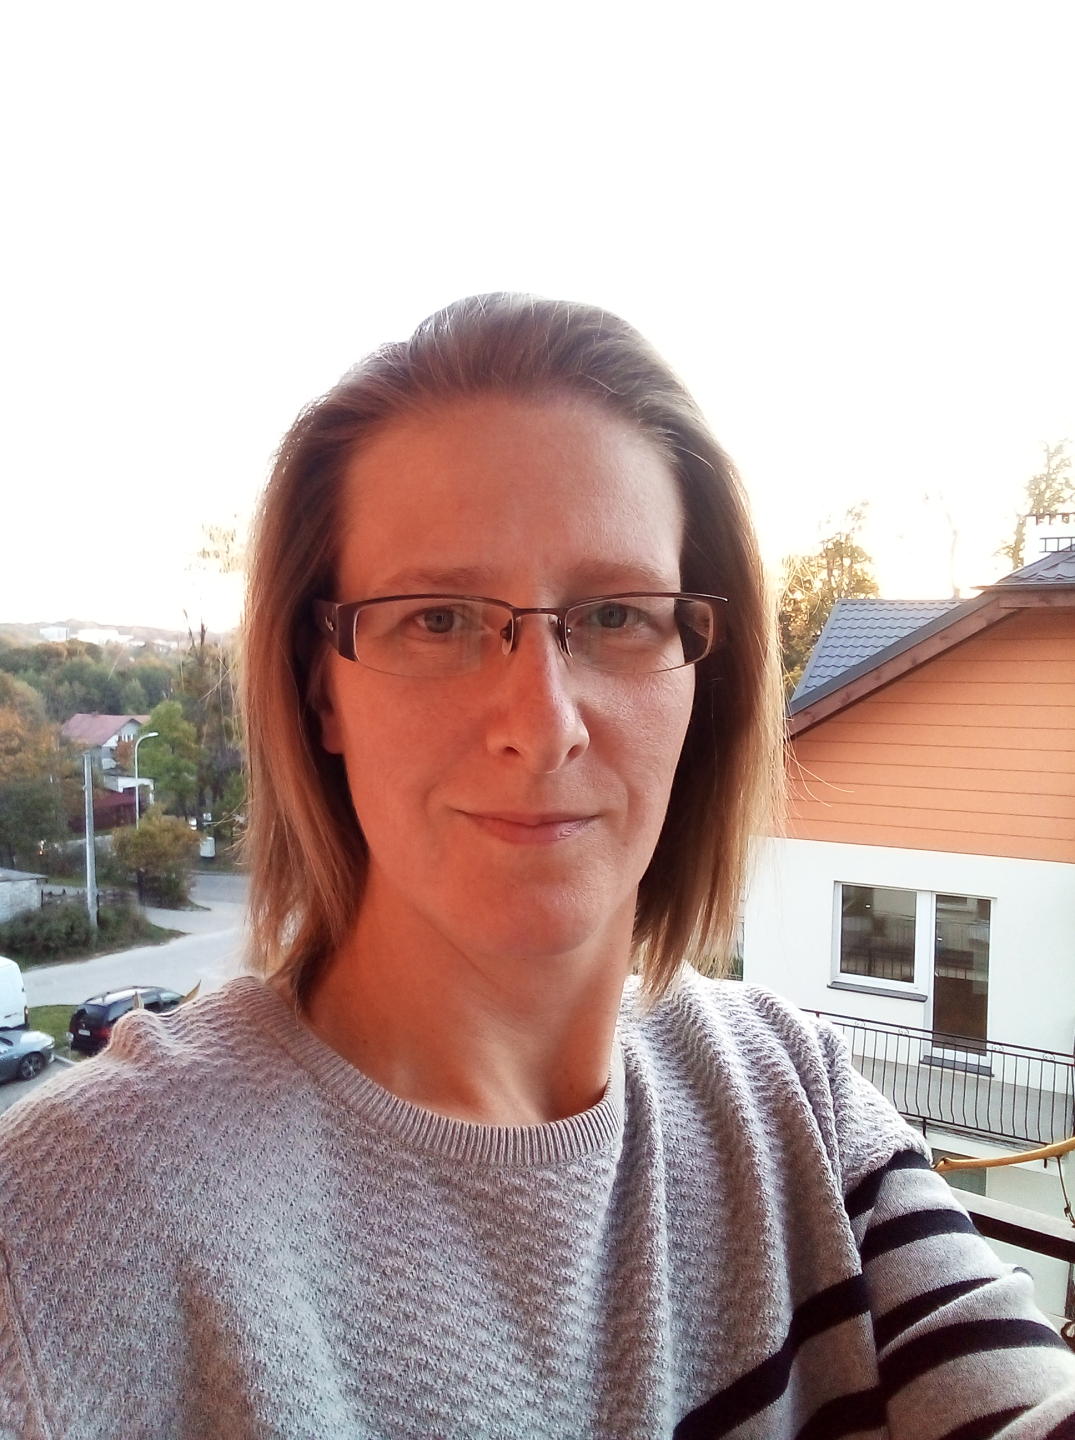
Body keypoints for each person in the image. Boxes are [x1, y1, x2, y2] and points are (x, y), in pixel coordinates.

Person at [2, 295, 1074, 1440]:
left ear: (700, 674)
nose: (543, 723)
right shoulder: (70, 1223)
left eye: (615, 614)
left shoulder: (792, 1105)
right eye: (437, 619)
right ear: (321, 689)